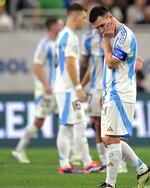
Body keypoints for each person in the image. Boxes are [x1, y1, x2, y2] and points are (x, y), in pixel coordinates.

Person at [88, 6, 150, 188]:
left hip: (121, 93)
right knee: (107, 138)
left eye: (102, 25)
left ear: (110, 17)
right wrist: (104, 91)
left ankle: (111, 184)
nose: (101, 31)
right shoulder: (110, 36)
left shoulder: (125, 36)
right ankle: (143, 169)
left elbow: (110, 63)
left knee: (110, 137)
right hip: (112, 91)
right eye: (97, 29)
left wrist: (105, 39)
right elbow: (110, 68)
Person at [53, 3, 101, 174]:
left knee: (76, 123)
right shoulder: (70, 37)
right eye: (82, 17)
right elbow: (70, 65)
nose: (83, 21)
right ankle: (71, 164)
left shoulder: (62, 36)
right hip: (67, 89)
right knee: (68, 125)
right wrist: (78, 87)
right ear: (73, 17)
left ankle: (77, 163)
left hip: (65, 88)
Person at [12, 18, 63, 164]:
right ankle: (19, 149)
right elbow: (36, 67)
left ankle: (70, 154)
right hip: (47, 90)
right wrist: (45, 85)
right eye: (59, 24)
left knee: (65, 120)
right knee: (39, 120)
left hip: (58, 88)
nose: (61, 26)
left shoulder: (61, 43)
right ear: (52, 26)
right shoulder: (44, 44)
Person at [80, 28, 107, 169]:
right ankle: (104, 160)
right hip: (95, 88)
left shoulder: (116, 36)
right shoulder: (90, 38)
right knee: (97, 123)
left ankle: (119, 161)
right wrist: (81, 86)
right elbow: (91, 67)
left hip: (111, 88)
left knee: (114, 125)